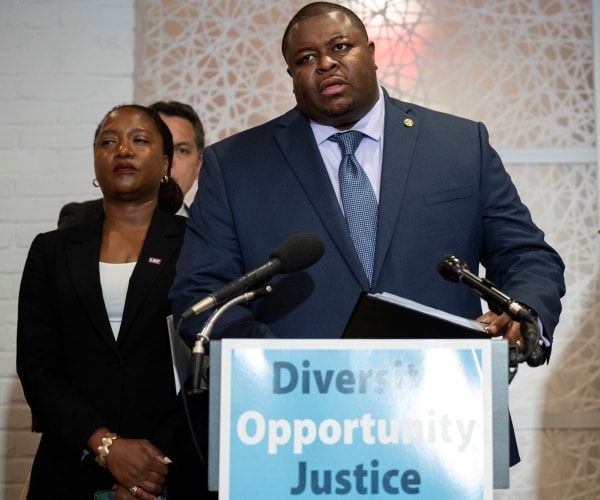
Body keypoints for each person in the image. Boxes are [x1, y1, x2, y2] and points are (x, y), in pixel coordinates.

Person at [169, 1, 565, 467]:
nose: (326, 63)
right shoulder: (235, 166)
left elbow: (527, 256)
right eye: (306, 58)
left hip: (443, 423)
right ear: (291, 75)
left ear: (372, 53)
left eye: (340, 47)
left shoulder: (460, 146)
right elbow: (202, 294)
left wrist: (524, 313)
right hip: (295, 429)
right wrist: (281, 366)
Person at [17, 104, 209, 499]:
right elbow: (37, 366)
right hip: (71, 465)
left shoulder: (199, 244)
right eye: (108, 141)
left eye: (139, 140)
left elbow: (206, 368)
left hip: (170, 470)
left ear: (165, 163)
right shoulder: (51, 250)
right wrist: (106, 446)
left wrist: (150, 463)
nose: (122, 149)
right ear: (95, 160)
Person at [57, 100, 205, 228]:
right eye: (140, 141)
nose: (171, 160)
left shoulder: (207, 231)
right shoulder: (80, 218)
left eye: (182, 150)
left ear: (198, 165)